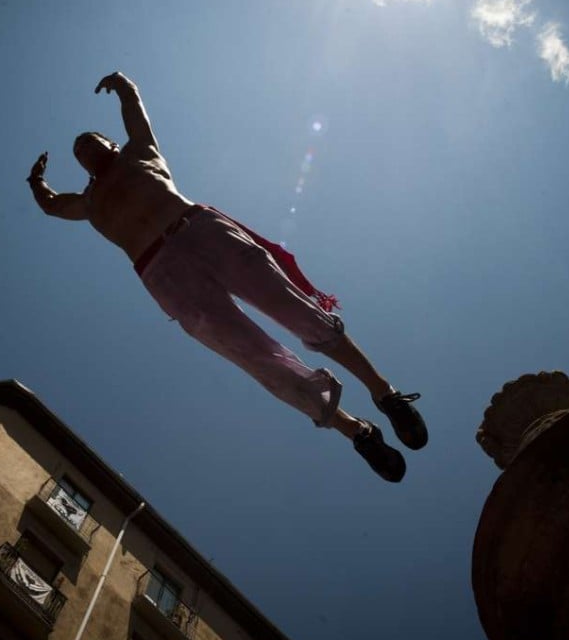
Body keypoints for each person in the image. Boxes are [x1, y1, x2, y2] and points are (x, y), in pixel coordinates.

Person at [27, 71, 427, 482]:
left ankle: (385, 393)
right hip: (164, 275)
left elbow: (134, 114)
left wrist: (126, 88)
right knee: (254, 356)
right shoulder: (90, 202)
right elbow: (53, 205)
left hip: (198, 230)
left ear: (111, 143)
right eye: (78, 151)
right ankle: (356, 431)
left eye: (90, 141)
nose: (84, 149)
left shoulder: (138, 152)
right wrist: (36, 182)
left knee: (295, 310)